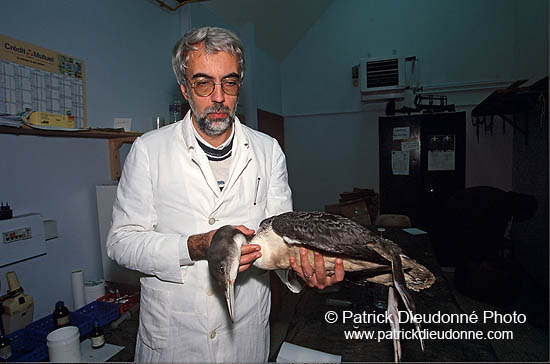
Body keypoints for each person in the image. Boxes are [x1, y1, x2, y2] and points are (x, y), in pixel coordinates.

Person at [106, 26, 344, 362]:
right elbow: (121, 242)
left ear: (238, 86)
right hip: (174, 337)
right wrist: (193, 246)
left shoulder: (267, 151)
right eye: (203, 82)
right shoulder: (148, 150)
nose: (218, 96)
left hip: (243, 334)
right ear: (185, 89)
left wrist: (304, 267)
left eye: (229, 82)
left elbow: (280, 241)